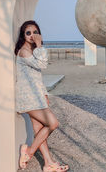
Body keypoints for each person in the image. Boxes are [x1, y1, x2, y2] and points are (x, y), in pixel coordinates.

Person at [14, 20, 69, 172]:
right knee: (53, 123)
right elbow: (42, 65)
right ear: (23, 36)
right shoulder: (25, 51)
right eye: (28, 33)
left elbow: (37, 76)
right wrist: (39, 45)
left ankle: (48, 163)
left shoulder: (31, 50)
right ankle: (29, 152)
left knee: (39, 130)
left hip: (36, 95)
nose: (32, 35)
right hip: (28, 97)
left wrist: (44, 93)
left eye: (35, 32)